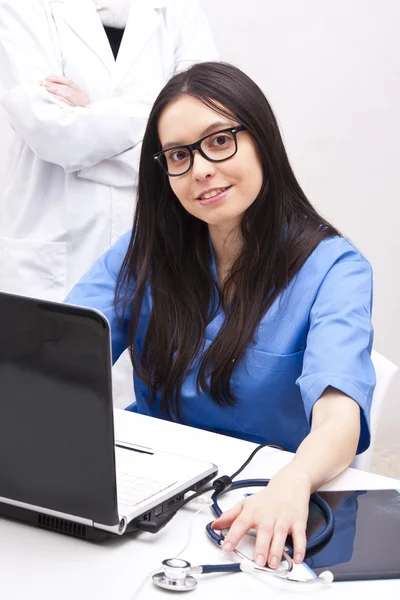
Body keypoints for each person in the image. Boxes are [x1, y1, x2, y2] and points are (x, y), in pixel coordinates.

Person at [65, 61, 375, 570]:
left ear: (262, 141)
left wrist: (294, 480)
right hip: (147, 488)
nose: (201, 169)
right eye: (179, 156)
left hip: (262, 499)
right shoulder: (143, 252)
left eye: (219, 141)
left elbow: (339, 414)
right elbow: (59, 350)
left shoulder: (334, 268)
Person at [0, 0, 217, 301]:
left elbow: (199, 125)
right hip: (52, 259)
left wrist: (91, 112)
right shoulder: (22, 7)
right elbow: (52, 135)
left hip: (159, 245)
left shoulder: (179, 12)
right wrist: (161, 118)